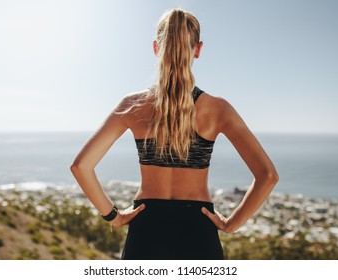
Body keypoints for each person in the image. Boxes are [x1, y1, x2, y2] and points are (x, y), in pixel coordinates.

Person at [70, 8, 278, 260]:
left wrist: (113, 216)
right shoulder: (218, 109)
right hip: (198, 229)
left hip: (146, 228)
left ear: (157, 48)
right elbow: (267, 175)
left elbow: (81, 166)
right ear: (198, 49)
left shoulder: (132, 106)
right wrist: (231, 224)